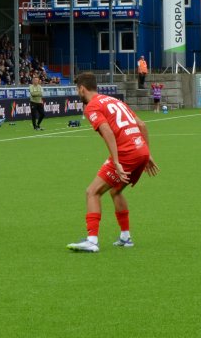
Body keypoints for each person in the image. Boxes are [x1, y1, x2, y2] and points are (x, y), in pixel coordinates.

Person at [67, 72, 159, 252]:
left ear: (82, 89)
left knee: (92, 192)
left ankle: (92, 241)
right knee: (115, 191)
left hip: (127, 153)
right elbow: (142, 125)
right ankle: (126, 237)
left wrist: (116, 161)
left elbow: (107, 131)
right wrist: (147, 154)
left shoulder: (92, 106)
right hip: (140, 149)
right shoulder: (114, 100)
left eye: (77, 90)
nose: (78, 93)